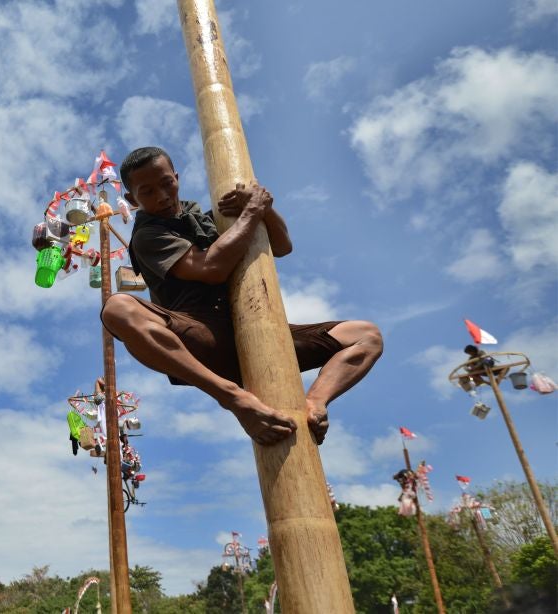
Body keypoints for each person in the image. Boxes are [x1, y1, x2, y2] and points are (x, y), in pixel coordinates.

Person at [101, 147, 383, 446]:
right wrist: (252, 212)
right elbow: (212, 268)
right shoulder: (149, 235)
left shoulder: (210, 219)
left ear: (177, 178)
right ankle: (234, 398)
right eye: (147, 191)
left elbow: (282, 245)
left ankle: (314, 404)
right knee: (117, 308)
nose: (162, 196)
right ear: (132, 201)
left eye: (167, 183)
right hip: (201, 336)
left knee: (367, 335)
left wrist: (264, 206)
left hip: (259, 329)